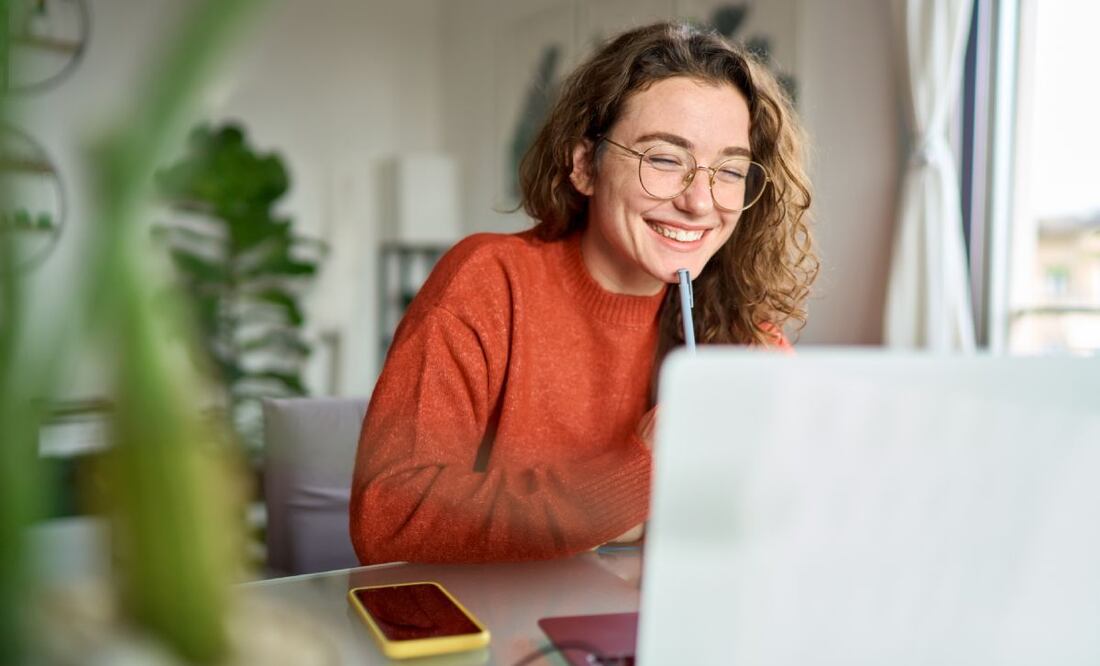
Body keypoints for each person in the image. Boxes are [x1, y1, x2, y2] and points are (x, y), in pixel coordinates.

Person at [350, 21, 817, 564]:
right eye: (664, 159)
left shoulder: (741, 332)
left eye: (729, 170)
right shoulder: (488, 282)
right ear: (583, 166)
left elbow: (789, 521)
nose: (699, 201)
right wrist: (639, 474)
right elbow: (389, 518)